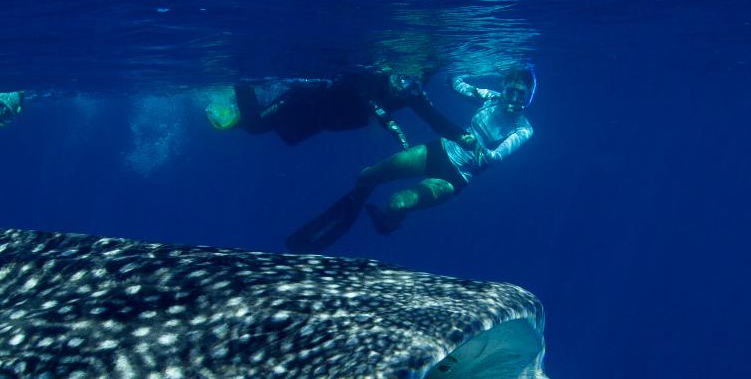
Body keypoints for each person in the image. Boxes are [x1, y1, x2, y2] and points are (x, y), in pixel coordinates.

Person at [285, 66, 535, 253]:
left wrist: (482, 150)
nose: (514, 99)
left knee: (397, 204)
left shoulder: (524, 129)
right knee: (367, 175)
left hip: (456, 176)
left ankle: (386, 226)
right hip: (438, 150)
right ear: (503, 88)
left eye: (521, 95)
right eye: (510, 91)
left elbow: (496, 156)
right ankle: (350, 212)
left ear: (529, 96)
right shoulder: (490, 97)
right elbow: (457, 83)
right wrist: (455, 72)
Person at [207, 72, 469, 151]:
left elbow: (435, 119)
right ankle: (240, 77)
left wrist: (464, 138)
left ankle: (240, 107)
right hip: (306, 102)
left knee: (287, 137)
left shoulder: (412, 91)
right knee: (255, 127)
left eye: (412, 82)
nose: (404, 86)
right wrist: (390, 125)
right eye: (401, 79)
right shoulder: (375, 77)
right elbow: (370, 103)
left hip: (322, 121)